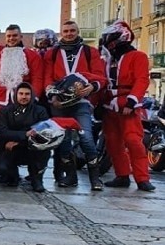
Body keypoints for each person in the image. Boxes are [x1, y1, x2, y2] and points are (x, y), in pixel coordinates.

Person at [42, 19, 107, 189]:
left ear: (78, 32)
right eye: (66, 31)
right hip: (59, 103)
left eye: (72, 30)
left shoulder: (89, 52)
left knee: (86, 138)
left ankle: (95, 178)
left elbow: (100, 76)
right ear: (61, 33)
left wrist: (92, 87)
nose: (69, 33)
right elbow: (47, 78)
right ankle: (70, 176)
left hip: (82, 102)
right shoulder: (52, 53)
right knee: (63, 141)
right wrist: (51, 95)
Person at [99, 21, 155, 192]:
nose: (108, 43)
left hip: (127, 104)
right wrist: (98, 103)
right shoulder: (107, 60)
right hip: (109, 104)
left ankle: (142, 178)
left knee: (133, 141)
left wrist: (132, 101)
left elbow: (141, 80)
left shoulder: (137, 56)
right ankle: (122, 175)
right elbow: (101, 81)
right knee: (113, 143)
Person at [0, 82, 51, 192]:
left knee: (44, 150)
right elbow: (2, 132)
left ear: (32, 95)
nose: (24, 97)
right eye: (21, 94)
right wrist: (24, 134)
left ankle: (37, 179)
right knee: (0, 168)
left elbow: (42, 132)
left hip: (33, 148)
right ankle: (12, 176)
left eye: (27, 94)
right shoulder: (5, 111)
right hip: (11, 149)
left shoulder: (41, 111)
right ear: (16, 95)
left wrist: (20, 141)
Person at [0, 24, 42, 114]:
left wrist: (33, 99)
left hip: (23, 101)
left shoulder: (32, 56)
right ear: (5, 37)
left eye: (15, 35)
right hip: (0, 102)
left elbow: (37, 79)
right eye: (9, 36)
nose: (11, 38)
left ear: (21, 36)